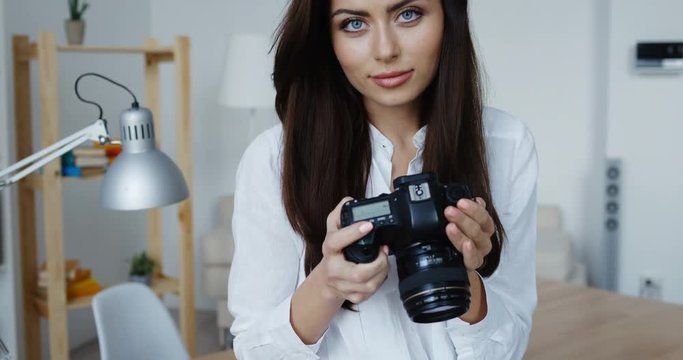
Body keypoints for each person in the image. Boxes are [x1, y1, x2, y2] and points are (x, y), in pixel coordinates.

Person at [228, 0, 538, 359]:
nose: (385, 50)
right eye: (354, 24)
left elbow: (509, 348)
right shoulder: (273, 160)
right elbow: (254, 352)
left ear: (449, 17)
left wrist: (461, 271)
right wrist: (328, 284)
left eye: (408, 14)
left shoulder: (506, 144)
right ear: (327, 37)